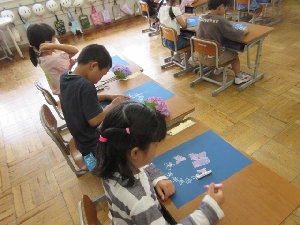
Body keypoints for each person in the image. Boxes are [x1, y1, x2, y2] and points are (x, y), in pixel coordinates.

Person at [92, 100, 225, 224]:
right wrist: (210, 207)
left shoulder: (111, 158)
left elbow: (139, 165)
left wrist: (157, 177)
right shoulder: (140, 203)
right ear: (135, 153)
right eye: (155, 145)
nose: (156, 148)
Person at [60, 44, 129, 158]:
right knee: (126, 126)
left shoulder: (65, 76)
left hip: (80, 141)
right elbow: (95, 121)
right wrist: (113, 105)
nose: (100, 79)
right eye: (102, 74)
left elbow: (79, 98)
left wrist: (107, 96)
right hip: (93, 144)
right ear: (94, 65)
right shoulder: (86, 85)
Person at [194, 0, 251, 84]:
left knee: (220, 48)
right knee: (234, 54)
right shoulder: (220, 20)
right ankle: (239, 77)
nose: (225, 9)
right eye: (225, 7)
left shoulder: (201, 16)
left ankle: (218, 69)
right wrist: (245, 31)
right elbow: (235, 35)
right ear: (220, 7)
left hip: (200, 55)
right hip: (213, 59)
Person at [27, 23, 78, 95]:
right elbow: (75, 50)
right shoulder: (53, 59)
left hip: (61, 90)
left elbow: (60, 73)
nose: (55, 40)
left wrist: (70, 67)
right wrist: (56, 46)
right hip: (67, 91)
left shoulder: (41, 58)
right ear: (47, 44)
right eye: (53, 40)